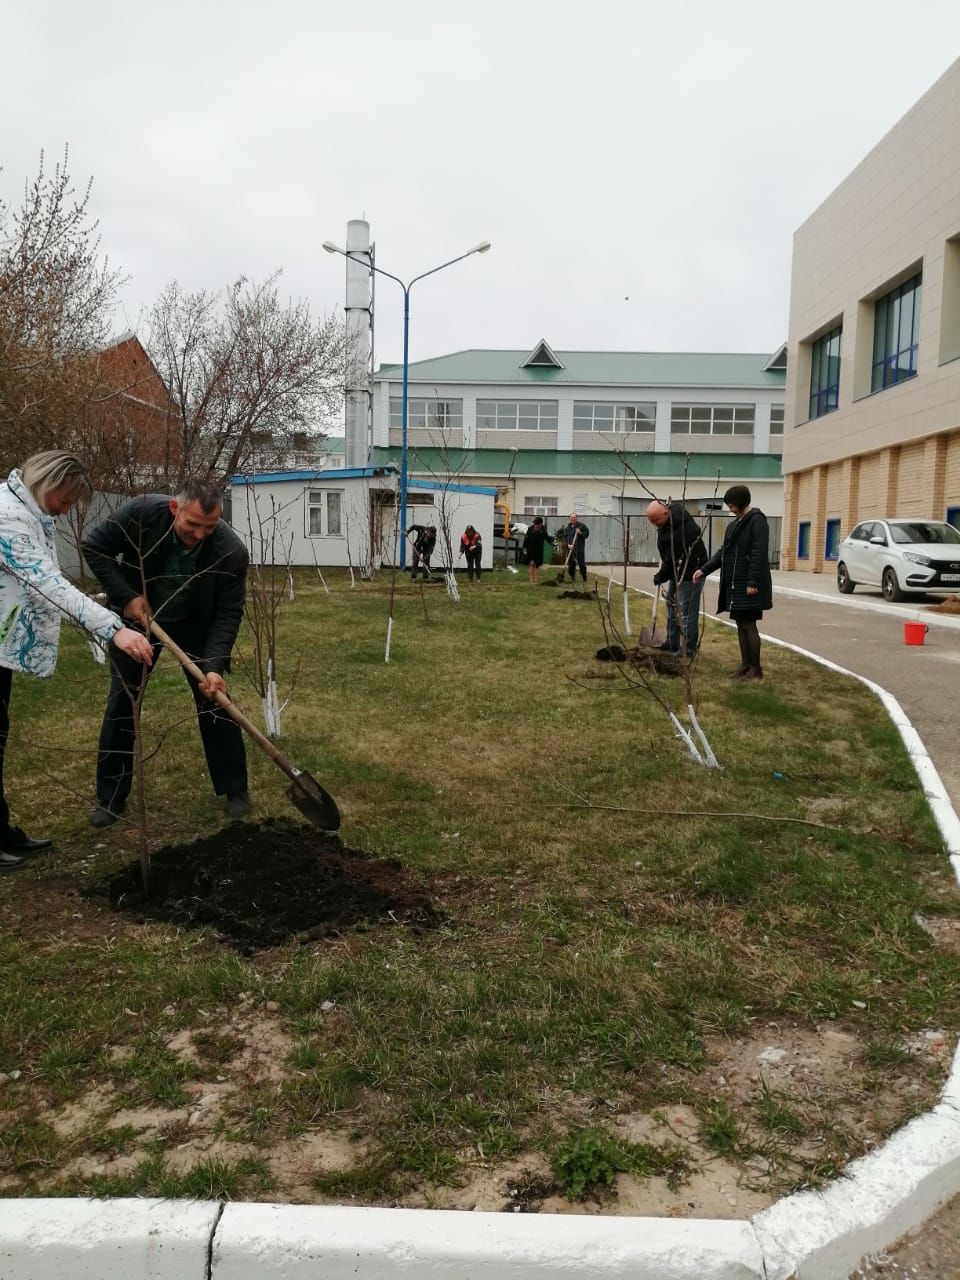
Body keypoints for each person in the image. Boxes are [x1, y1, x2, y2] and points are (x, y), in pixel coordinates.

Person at [0, 451, 154, 868]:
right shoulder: (8, 518)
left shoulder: (28, 512)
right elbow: (48, 583)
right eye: (66, 501)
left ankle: (1, 830)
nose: (67, 511)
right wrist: (114, 629)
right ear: (48, 486)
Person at [82, 478, 251, 826]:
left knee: (214, 699)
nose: (201, 534)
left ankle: (235, 788)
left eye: (210, 526)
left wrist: (215, 665)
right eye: (193, 525)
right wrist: (126, 596)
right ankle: (111, 796)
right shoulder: (142, 513)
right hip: (139, 617)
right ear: (175, 509)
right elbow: (94, 546)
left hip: (195, 622)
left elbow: (228, 613)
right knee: (123, 701)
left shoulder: (230, 551)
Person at [693, 484, 773, 681]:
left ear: (741, 502)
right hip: (735, 584)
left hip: (749, 584)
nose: (729, 508)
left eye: (731, 504)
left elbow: (759, 553)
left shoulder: (757, 522)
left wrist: (752, 581)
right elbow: (723, 553)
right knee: (740, 624)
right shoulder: (734, 525)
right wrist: (704, 569)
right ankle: (745, 666)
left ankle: (756, 669)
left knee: (749, 624)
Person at [645, 500, 707, 658]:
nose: (654, 524)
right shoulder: (669, 518)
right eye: (651, 521)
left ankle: (688, 649)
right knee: (671, 604)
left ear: (666, 513)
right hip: (677, 570)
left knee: (686, 611)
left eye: (656, 520)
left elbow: (671, 559)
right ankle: (672, 642)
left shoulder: (682, 532)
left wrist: (660, 576)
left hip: (691, 572)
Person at [522, 516, 553, 584]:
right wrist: (524, 549)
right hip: (530, 548)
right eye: (536, 524)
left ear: (541, 524)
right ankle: (531, 578)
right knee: (531, 563)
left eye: (538, 525)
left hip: (539, 549)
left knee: (537, 564)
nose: (536, 526)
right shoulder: (530, 529)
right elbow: (526, 540)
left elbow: (547, 538)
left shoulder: (542, 529)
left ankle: (536, 578)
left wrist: (553, 542)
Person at [564, 512, 589, 582]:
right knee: (571, 564)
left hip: (579, 548)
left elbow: (586, 534)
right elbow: (565, 537)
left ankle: (584, 576)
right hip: (571, 549)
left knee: (582, 564)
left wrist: (580, 533)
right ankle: (572, 578)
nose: (573, 519)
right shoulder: (567, 528)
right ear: (569, 519)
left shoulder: (581, 526)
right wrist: (568, 545)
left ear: (576, 518)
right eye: (572, 517)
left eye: (574, 517)